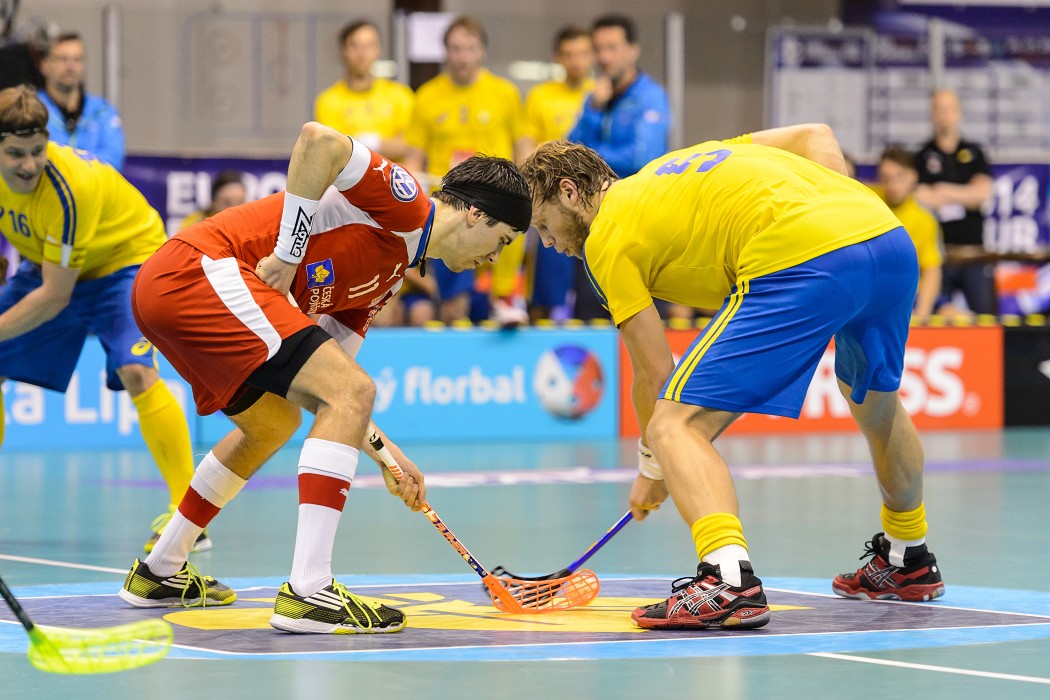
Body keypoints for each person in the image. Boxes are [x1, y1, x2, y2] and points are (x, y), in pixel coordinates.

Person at [522, 123, 944, 631]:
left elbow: (655, 371)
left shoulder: (605, 237)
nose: (548, 244)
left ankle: (726, 579)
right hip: (886, 237)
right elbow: (817, 136)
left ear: (569, 193)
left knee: (675, 426)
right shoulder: (686, 160)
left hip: (799, 255)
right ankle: (907, 556)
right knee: (873, 401)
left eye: (544, 225)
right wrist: (836, 208)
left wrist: (654, 469)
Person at [118, 120, 532, 635]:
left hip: (170, 295)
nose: (494, 258)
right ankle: (310, 590)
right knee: (351, 390)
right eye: (501, 240)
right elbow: (319, 141)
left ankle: (160, 569)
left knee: (274, 421)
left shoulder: (383, 283)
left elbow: (333, 399)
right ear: (475, 213)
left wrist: (390, 459)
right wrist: (290, 254)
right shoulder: (407, 204)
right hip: (197, 271)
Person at [0, 85, 198, 550]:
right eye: (15, 154)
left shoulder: (69, 189)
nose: (29, 165)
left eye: (37, 151)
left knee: (135, 370)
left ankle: (187, 515)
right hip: (47, 262)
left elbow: (53, 298)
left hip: (125, 263)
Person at [404, 15, 530, 325]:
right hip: (451, 205)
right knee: (453, 308)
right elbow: (413, 159)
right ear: (445, 52)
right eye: (456, 48)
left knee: (512, 240)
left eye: (470, 48)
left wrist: (526, 187)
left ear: (482, 51)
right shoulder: (427, 96)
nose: (463, 57)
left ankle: (506, 297)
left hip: (497, 201)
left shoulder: (505, 93)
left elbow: (524, 146)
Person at [567, 14, 669, 321]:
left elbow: (641, 156)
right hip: (594, 224)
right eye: (598, 48)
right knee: (590, 313)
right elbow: (568, 154)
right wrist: (595, 111)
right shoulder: (595, 99)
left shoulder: (650, 97)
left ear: (632, 51)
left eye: (612, 47)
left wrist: (589, 155)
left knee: (642, 316)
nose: (604, 57)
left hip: (641, 225)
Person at [521, 25, 593, 322]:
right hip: (552, 204)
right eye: (568, 54)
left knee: (593, 291)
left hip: (593, 205)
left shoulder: (601, 94)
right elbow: (526, 145)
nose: (576, 61)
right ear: (557, 58)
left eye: (582, 53)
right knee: (546, 292)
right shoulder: (541, 96)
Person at [913, 88, 995, 316]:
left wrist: (942, 190)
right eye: (938, 109)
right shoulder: (922, 156)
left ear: (958, 112)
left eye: (948, 109)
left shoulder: (974, 153)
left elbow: (981, 195)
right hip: (940, 257)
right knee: (935, 315)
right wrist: (965, 193)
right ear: (931, 114)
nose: (943, 114)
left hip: (974, 253)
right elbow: (920, 197)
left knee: (986, 319)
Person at [313, 20, 414, 163]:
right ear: (343, 51)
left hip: (392, 181)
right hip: (350, 183)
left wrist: (373, 143)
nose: (362, 53)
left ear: (378, 50)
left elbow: (410, 146)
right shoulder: (328, 101)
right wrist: (384, 146)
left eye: (369, 45)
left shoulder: (401, 95)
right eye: (355, 46)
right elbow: (333, 151)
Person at [873, 146, 943, 322]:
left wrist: (921, 316)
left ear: (913, 176)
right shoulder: (867, 203)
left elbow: (931, 269)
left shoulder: (924, 219)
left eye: (900, 178)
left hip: (909, 296)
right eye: (886, 178)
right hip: (871, 293)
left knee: (955, 314)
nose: (893, 185)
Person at [37, 32, 125, 170]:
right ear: (44, 65)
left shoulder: (103, 110)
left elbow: (113, 159)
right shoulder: (31, 109)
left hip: (94, 191)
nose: (70, 66)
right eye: (62, 59)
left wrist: (68, 169)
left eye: (77, 59)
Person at [178, 169, 247, 230]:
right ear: (214, 201)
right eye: (226, 203)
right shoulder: (194, 224)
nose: (233, 208)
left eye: (240, 202)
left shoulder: (250, 226)